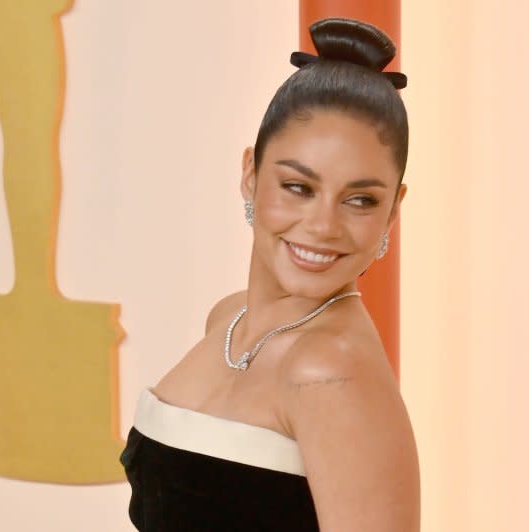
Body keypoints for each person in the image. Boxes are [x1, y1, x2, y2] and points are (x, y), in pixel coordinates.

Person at [120, 17, 420, 531]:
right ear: (250, 174)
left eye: (360, 200)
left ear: (392, 211)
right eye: (298, 187)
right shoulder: (228, 318)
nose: (323, 226)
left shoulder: (331, 371)